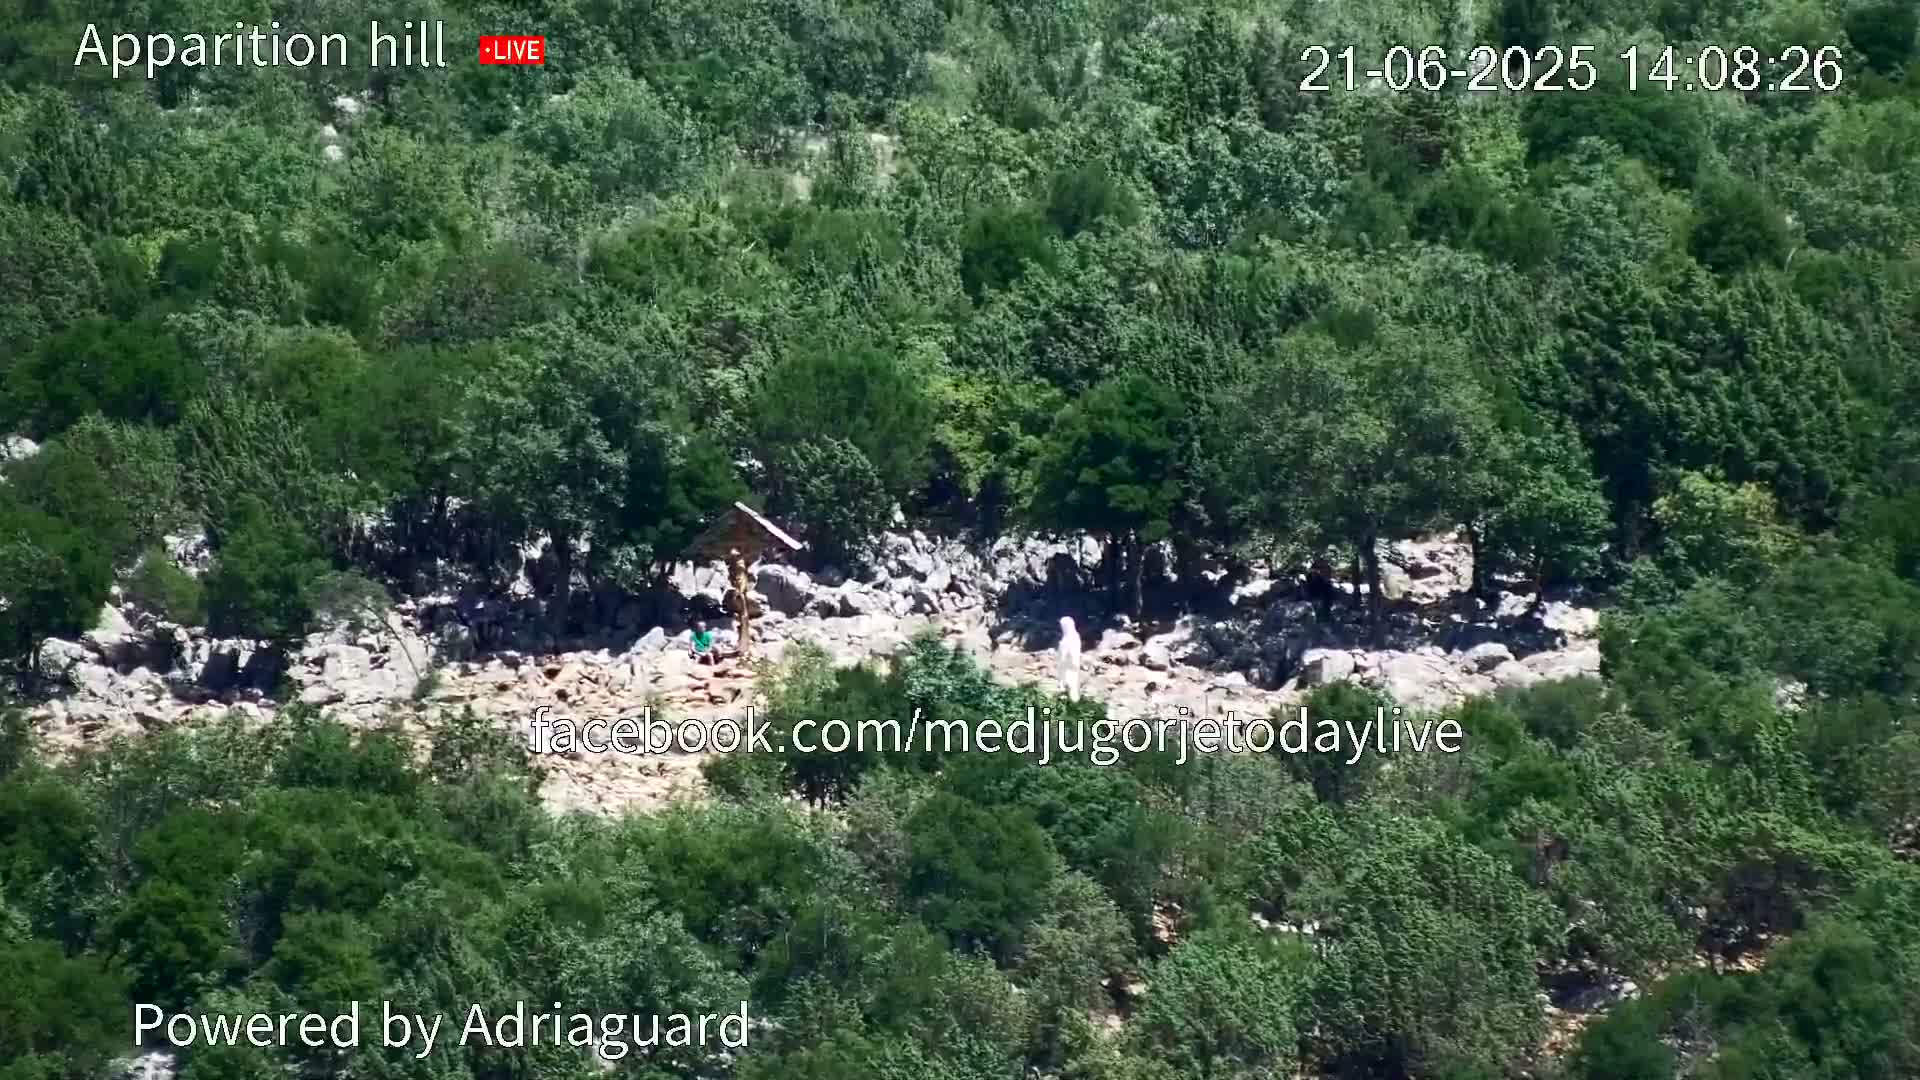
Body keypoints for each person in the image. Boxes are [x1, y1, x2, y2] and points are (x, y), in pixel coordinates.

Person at [1056, 615, 1082, 703]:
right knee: (1063, 681)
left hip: (1071, 664)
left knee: (1071, 683)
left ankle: (1074, 702)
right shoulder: (1066, 637)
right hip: (1063, 665)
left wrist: (1065, 655)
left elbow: (1073, 652)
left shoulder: (1074, 637)